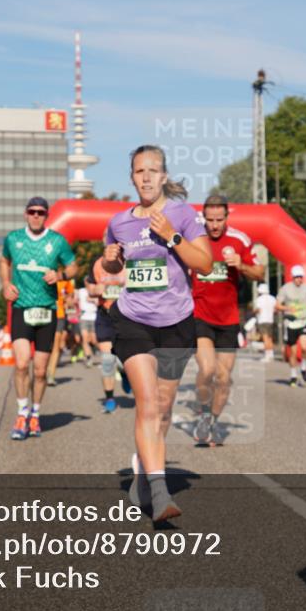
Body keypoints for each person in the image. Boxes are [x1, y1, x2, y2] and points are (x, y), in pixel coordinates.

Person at [103, 145, 211, 522]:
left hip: (177, 322)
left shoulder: (182, 214)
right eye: (138, 171)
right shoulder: (119, 222)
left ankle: (142, 474)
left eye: (152, 170)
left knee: (163, 411)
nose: (146, 177)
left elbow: (206, 262)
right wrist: (111, 261)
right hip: (133, 320)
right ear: (131, 177)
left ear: (164, 176)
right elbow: (109, 261)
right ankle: (162, 494)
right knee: (147, 403)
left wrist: (173, 237)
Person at [0, 196, 77, 441]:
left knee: (41, 371)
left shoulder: (57, 241)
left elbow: (74, 266)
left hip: (47, 310)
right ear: (25, 214)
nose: (36, 216)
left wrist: (61, 274)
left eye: (41, 212)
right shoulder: (13, 239)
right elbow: (4, 260)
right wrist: (5, 283)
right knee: (22, 364)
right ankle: (21, 413)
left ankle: (35, 413)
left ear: (47, 216)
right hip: (22, 307)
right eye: (32, 212)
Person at [191, 194, 264, 446]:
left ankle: (212, 421)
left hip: (228, 318)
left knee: (223, 378)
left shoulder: (239, 240)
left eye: (219, 220)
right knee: (207, 369)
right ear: (203, 217)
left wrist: (241, 265)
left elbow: (260, 272)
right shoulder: (194, 238)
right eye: (210, 219)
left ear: (227, 217)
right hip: (199, 314)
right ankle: (202, 412)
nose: (214, 225)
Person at [86, 255, 127, 413]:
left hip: (128, 316)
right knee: (108, 360)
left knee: (126, 361)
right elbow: (90, 287)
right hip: (106, 315)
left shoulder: (130, 257)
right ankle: (109, 398)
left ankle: (125, 373)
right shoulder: (97, 262)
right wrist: (96, 290)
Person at [275, 265, 306, 387]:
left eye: (301, 277)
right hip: (291, 323)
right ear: (292, 277)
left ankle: (304, 368)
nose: (299, 279)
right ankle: (293, 375)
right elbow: (277, 306)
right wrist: (288, 308)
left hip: (304, 321)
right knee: (293, 352)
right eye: (297, 277)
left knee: (304, 347)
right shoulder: (285, 289)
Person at [46, 277, 75, 385]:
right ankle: (42, 371)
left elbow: (70, 296)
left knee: (56, 344)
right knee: (45, 344)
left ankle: (51, 376)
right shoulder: (43, 275)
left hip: (59, 315)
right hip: (45, 313)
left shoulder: (65, 280)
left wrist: (68, 300)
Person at [77, 283, 98, 366]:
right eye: (86, 282)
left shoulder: (96, 290)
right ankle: (89, 358)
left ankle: (104, 352)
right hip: (84, 317)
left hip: (94, 317)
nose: (87, 284)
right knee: (85, 338)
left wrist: (92, 299)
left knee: (94, 340)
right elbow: (74, 298)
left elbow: (99, 302)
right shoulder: (81, 291)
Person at [254, 283, 276, 362]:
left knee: (265, 338)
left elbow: (258, 310)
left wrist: (254, 311)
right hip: (270, 320)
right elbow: (275, 310)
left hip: (262, 320)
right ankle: (271, 354)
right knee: (270, 338)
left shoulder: (259, 299)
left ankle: (267, 355)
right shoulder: (273, 298)